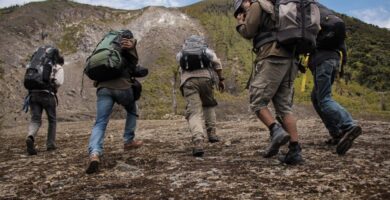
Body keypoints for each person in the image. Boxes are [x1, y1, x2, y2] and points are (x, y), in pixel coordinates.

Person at [233, 0, 303, 164]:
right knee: (284, 107)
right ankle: (295, 151)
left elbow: (248, 32)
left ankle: (275, 130)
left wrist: (240, 22)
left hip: (272, 56)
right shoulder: (278, 8)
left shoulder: (258, 5)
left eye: (241, 7)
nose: (242, 10)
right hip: (291, 59)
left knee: (257, 100)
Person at [86, 30, 144, 174]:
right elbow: (132, 67)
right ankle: (128, 141)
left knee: (100, 122)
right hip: (122, 87)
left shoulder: (105, 49)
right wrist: (132, 48)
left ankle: (94, 153)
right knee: (132, 109)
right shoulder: (127, 47)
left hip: (103, 88)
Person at [309, 3, 362, 155]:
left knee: (324, 99)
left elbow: (305, 38)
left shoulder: (309, 13)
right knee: (316, 97)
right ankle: (336, 133)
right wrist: (342, 63)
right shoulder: (326, 12)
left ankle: (349, 125)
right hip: (334, 60)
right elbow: (342, 43)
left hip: (322, 60)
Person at [177, 35, 225, 157]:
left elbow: (180, 68)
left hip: (188, 81)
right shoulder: (206, 51)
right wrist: (220, 80)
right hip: (206, 79)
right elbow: (217, 64)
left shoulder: (182, 53)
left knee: (194, 112)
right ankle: (212, 134)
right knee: (209, 105)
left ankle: (198, 141)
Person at [25, 47, 64, 155]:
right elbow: (59, 82)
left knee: (35, 119)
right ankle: (50, 144)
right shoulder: (58, 67)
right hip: (47, 94)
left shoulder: (36, 64)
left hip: (33, 94)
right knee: (52, 120)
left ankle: (30, 136)